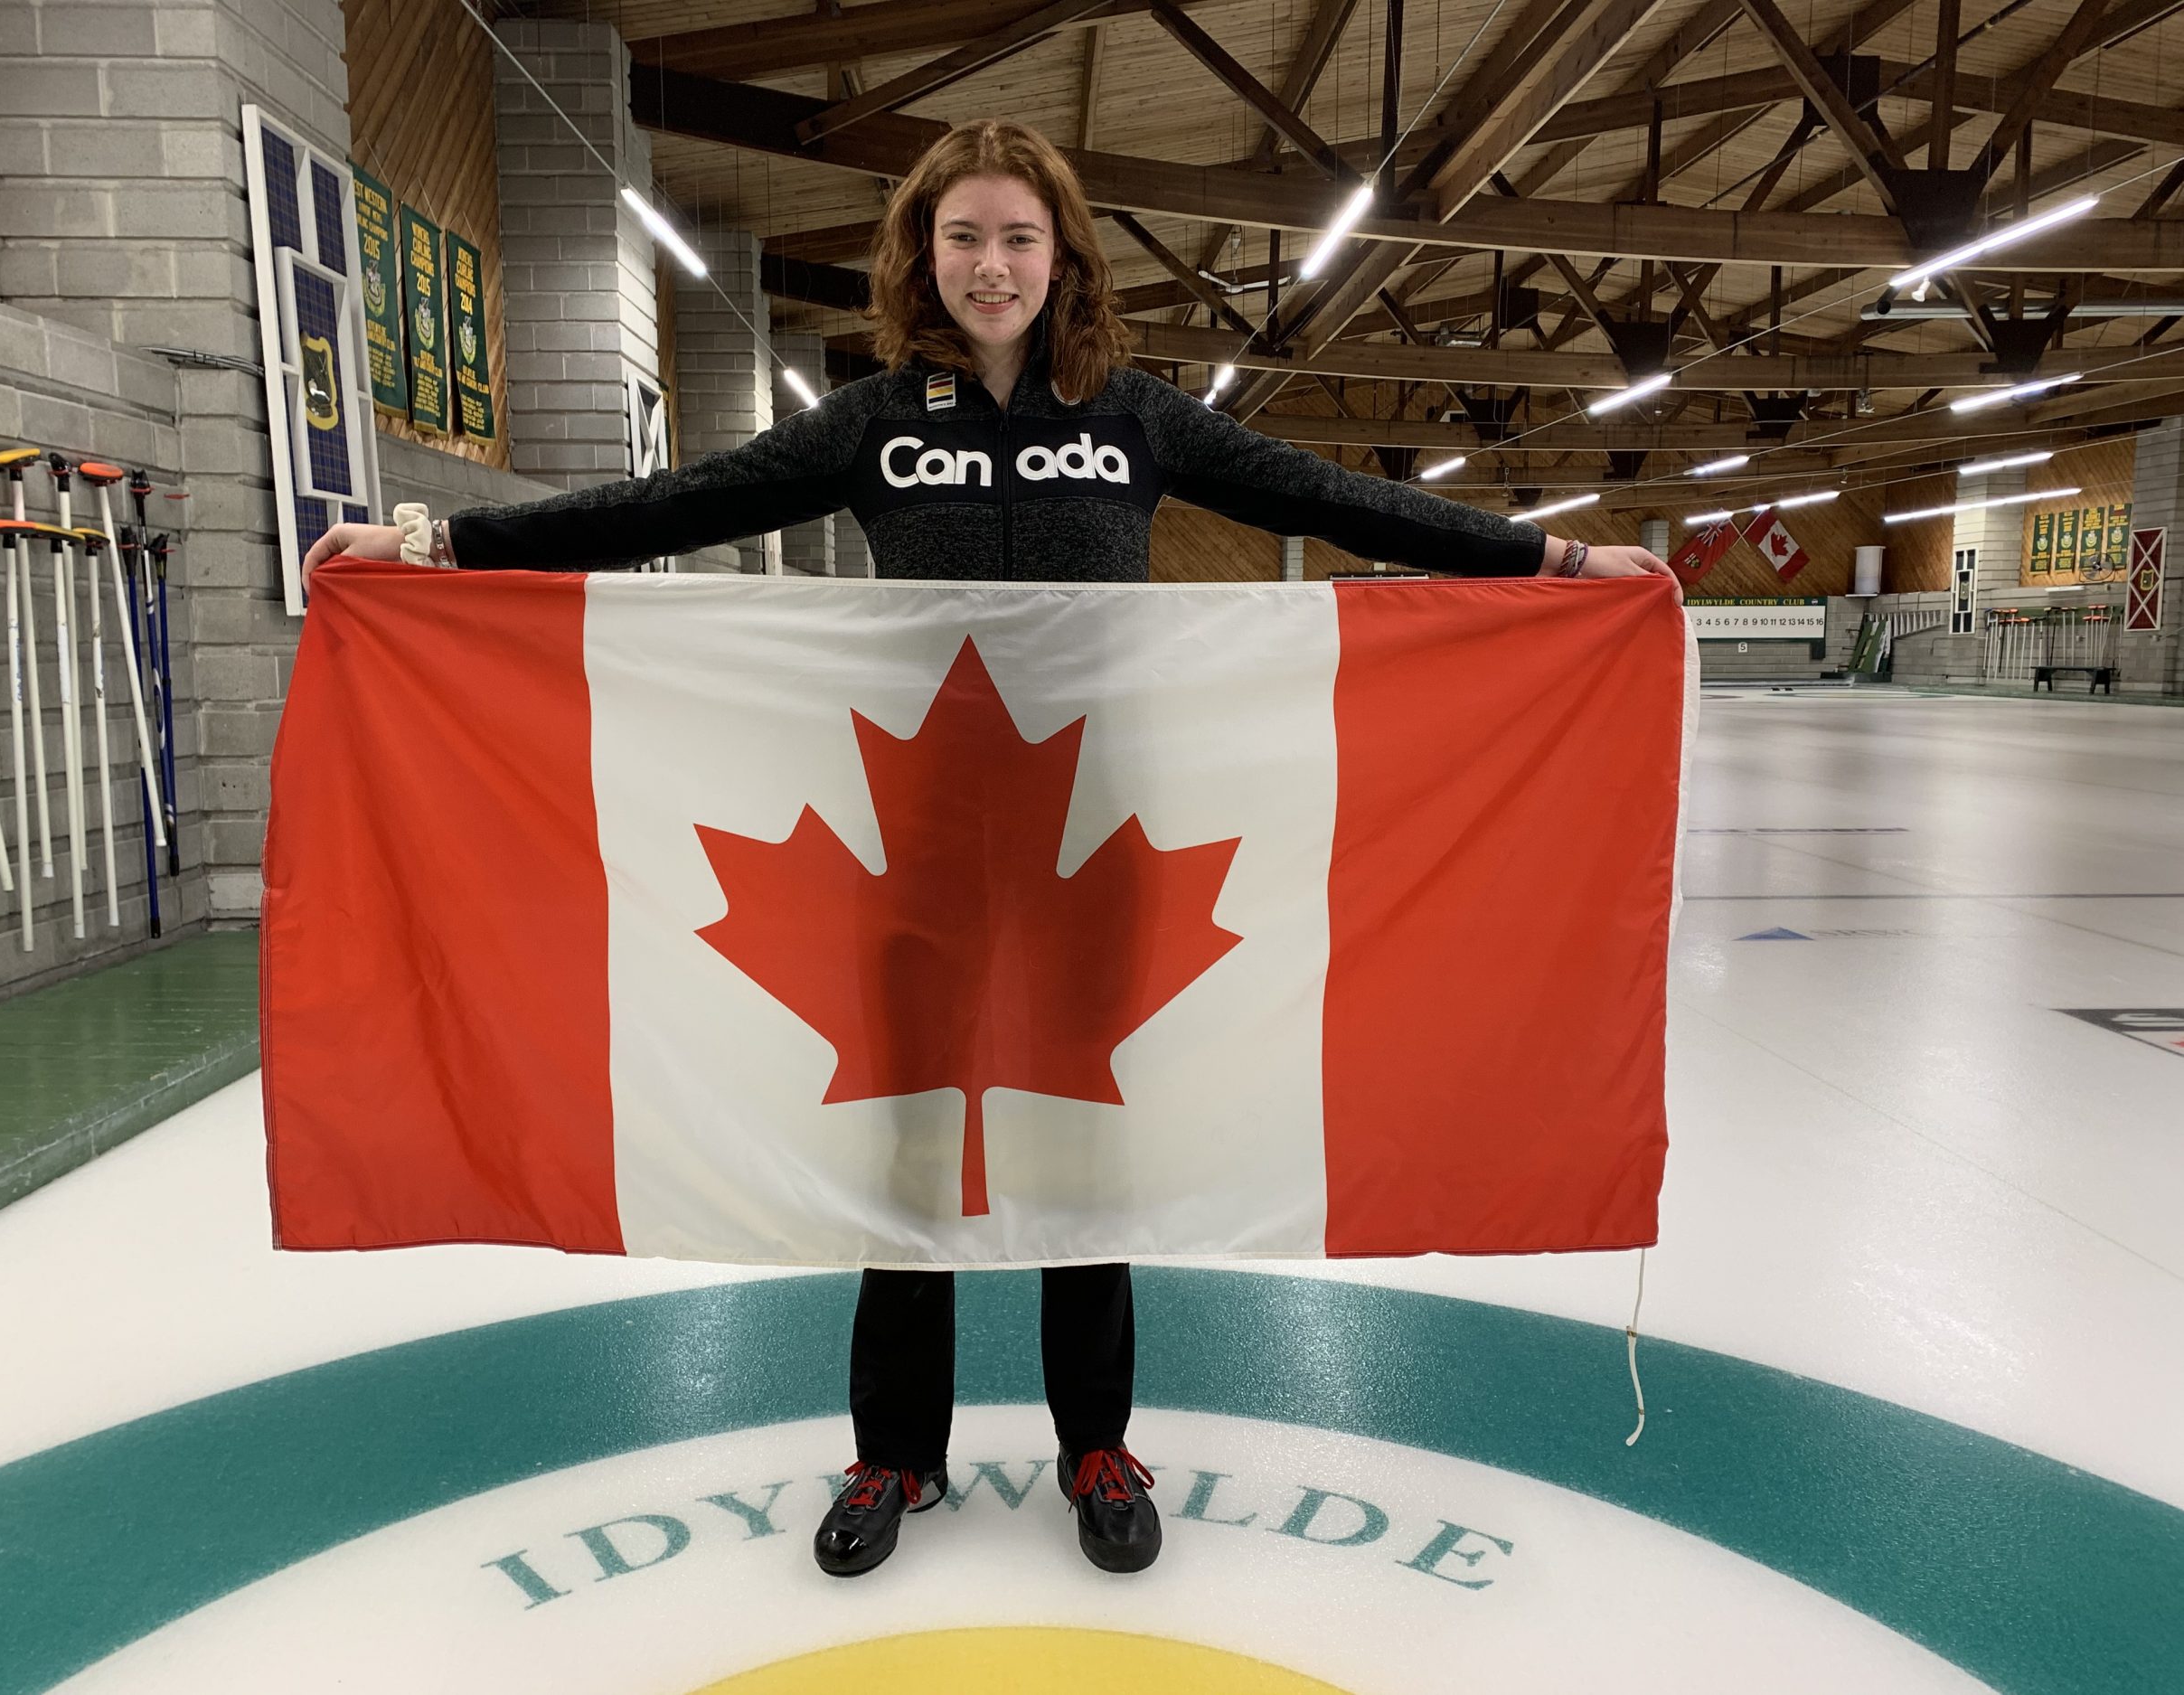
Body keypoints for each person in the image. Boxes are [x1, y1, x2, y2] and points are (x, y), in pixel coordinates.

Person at [300, 118, 1679, 1582]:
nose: (992, 264)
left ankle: (1098, 1442)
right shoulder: (879, 423)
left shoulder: (1136, 415)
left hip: (1098, 841)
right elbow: (670, 508)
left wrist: (1554, 560)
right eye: (964, 237)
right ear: (923, 256)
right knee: (904, 1152)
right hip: (922, 858)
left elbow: (1330, 501)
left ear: (1063, 255)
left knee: (1085, 1150)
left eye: (1020, 236)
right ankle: (897, 1452)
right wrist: (443, 547)